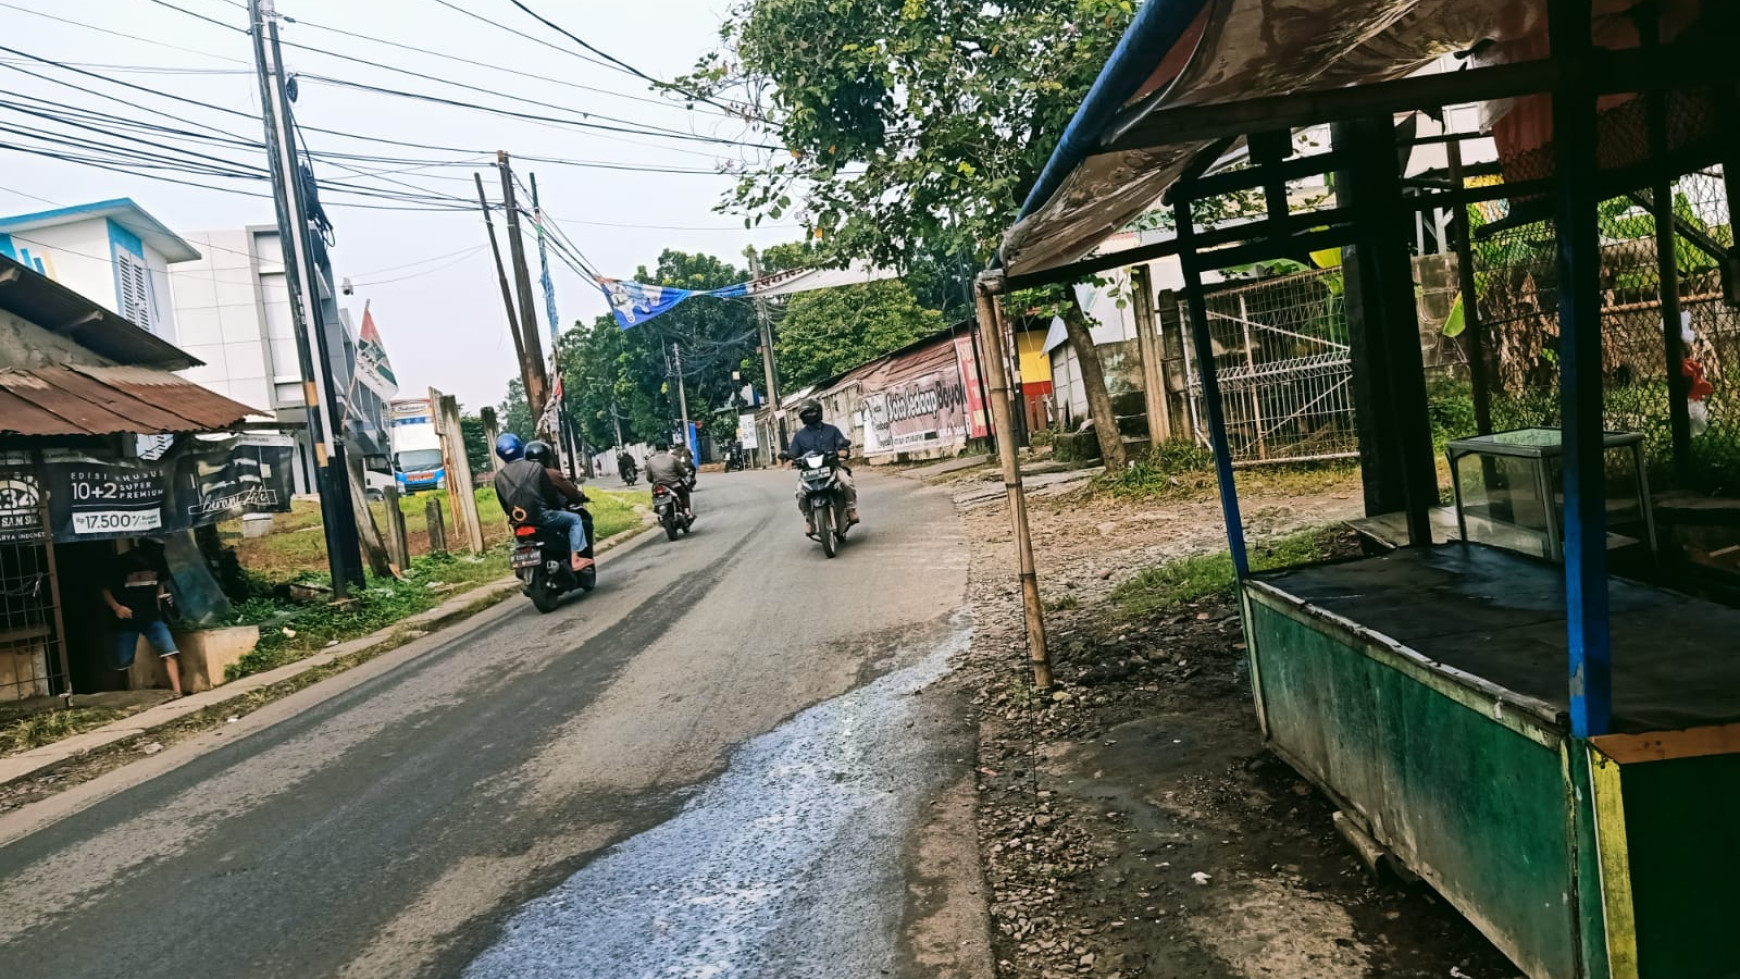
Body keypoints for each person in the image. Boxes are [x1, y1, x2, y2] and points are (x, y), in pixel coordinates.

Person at [493, 433, 593, 572]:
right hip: (542, 516)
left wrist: (514, 516)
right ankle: (575, 558)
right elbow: (550, 495)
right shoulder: (535, 467)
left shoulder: (499, 476)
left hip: (518, 521)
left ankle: (521, 567)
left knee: (518, 541)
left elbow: (504, 503)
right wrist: (557, 507)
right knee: (575, 519)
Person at [103, 537, 185, 697]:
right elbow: (104, 589)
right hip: (126, 619)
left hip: (152, 617)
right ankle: (120, 698)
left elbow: (160, 586)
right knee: (121, 663)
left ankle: (178, 692)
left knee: (169, 653)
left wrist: (164, 602)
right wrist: (117, 607)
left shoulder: (159, 562)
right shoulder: (122, 562)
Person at [787, 398, 858, 533]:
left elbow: (842, 444)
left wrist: (843, 451)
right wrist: (790, 460)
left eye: (812, 412)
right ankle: (809, 520)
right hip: (809, 473)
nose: (809, 415)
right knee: (800, 493)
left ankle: (851, 509)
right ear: (802, 416)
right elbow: (792, 454)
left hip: (832, 468)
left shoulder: (832, 430)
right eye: (806, 413)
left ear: (819, 412)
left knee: (847, 481)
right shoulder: (799, 437)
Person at [645, 441, 693, 517]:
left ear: (656, 449)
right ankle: (687, 511)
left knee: (655, 496)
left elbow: (649, 478)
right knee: (685, 494)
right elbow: (682, 472)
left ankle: (660, 511)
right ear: (667, 448)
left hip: (658, 486)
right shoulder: (673, 458)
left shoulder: (650, 461)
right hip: (674, 485)